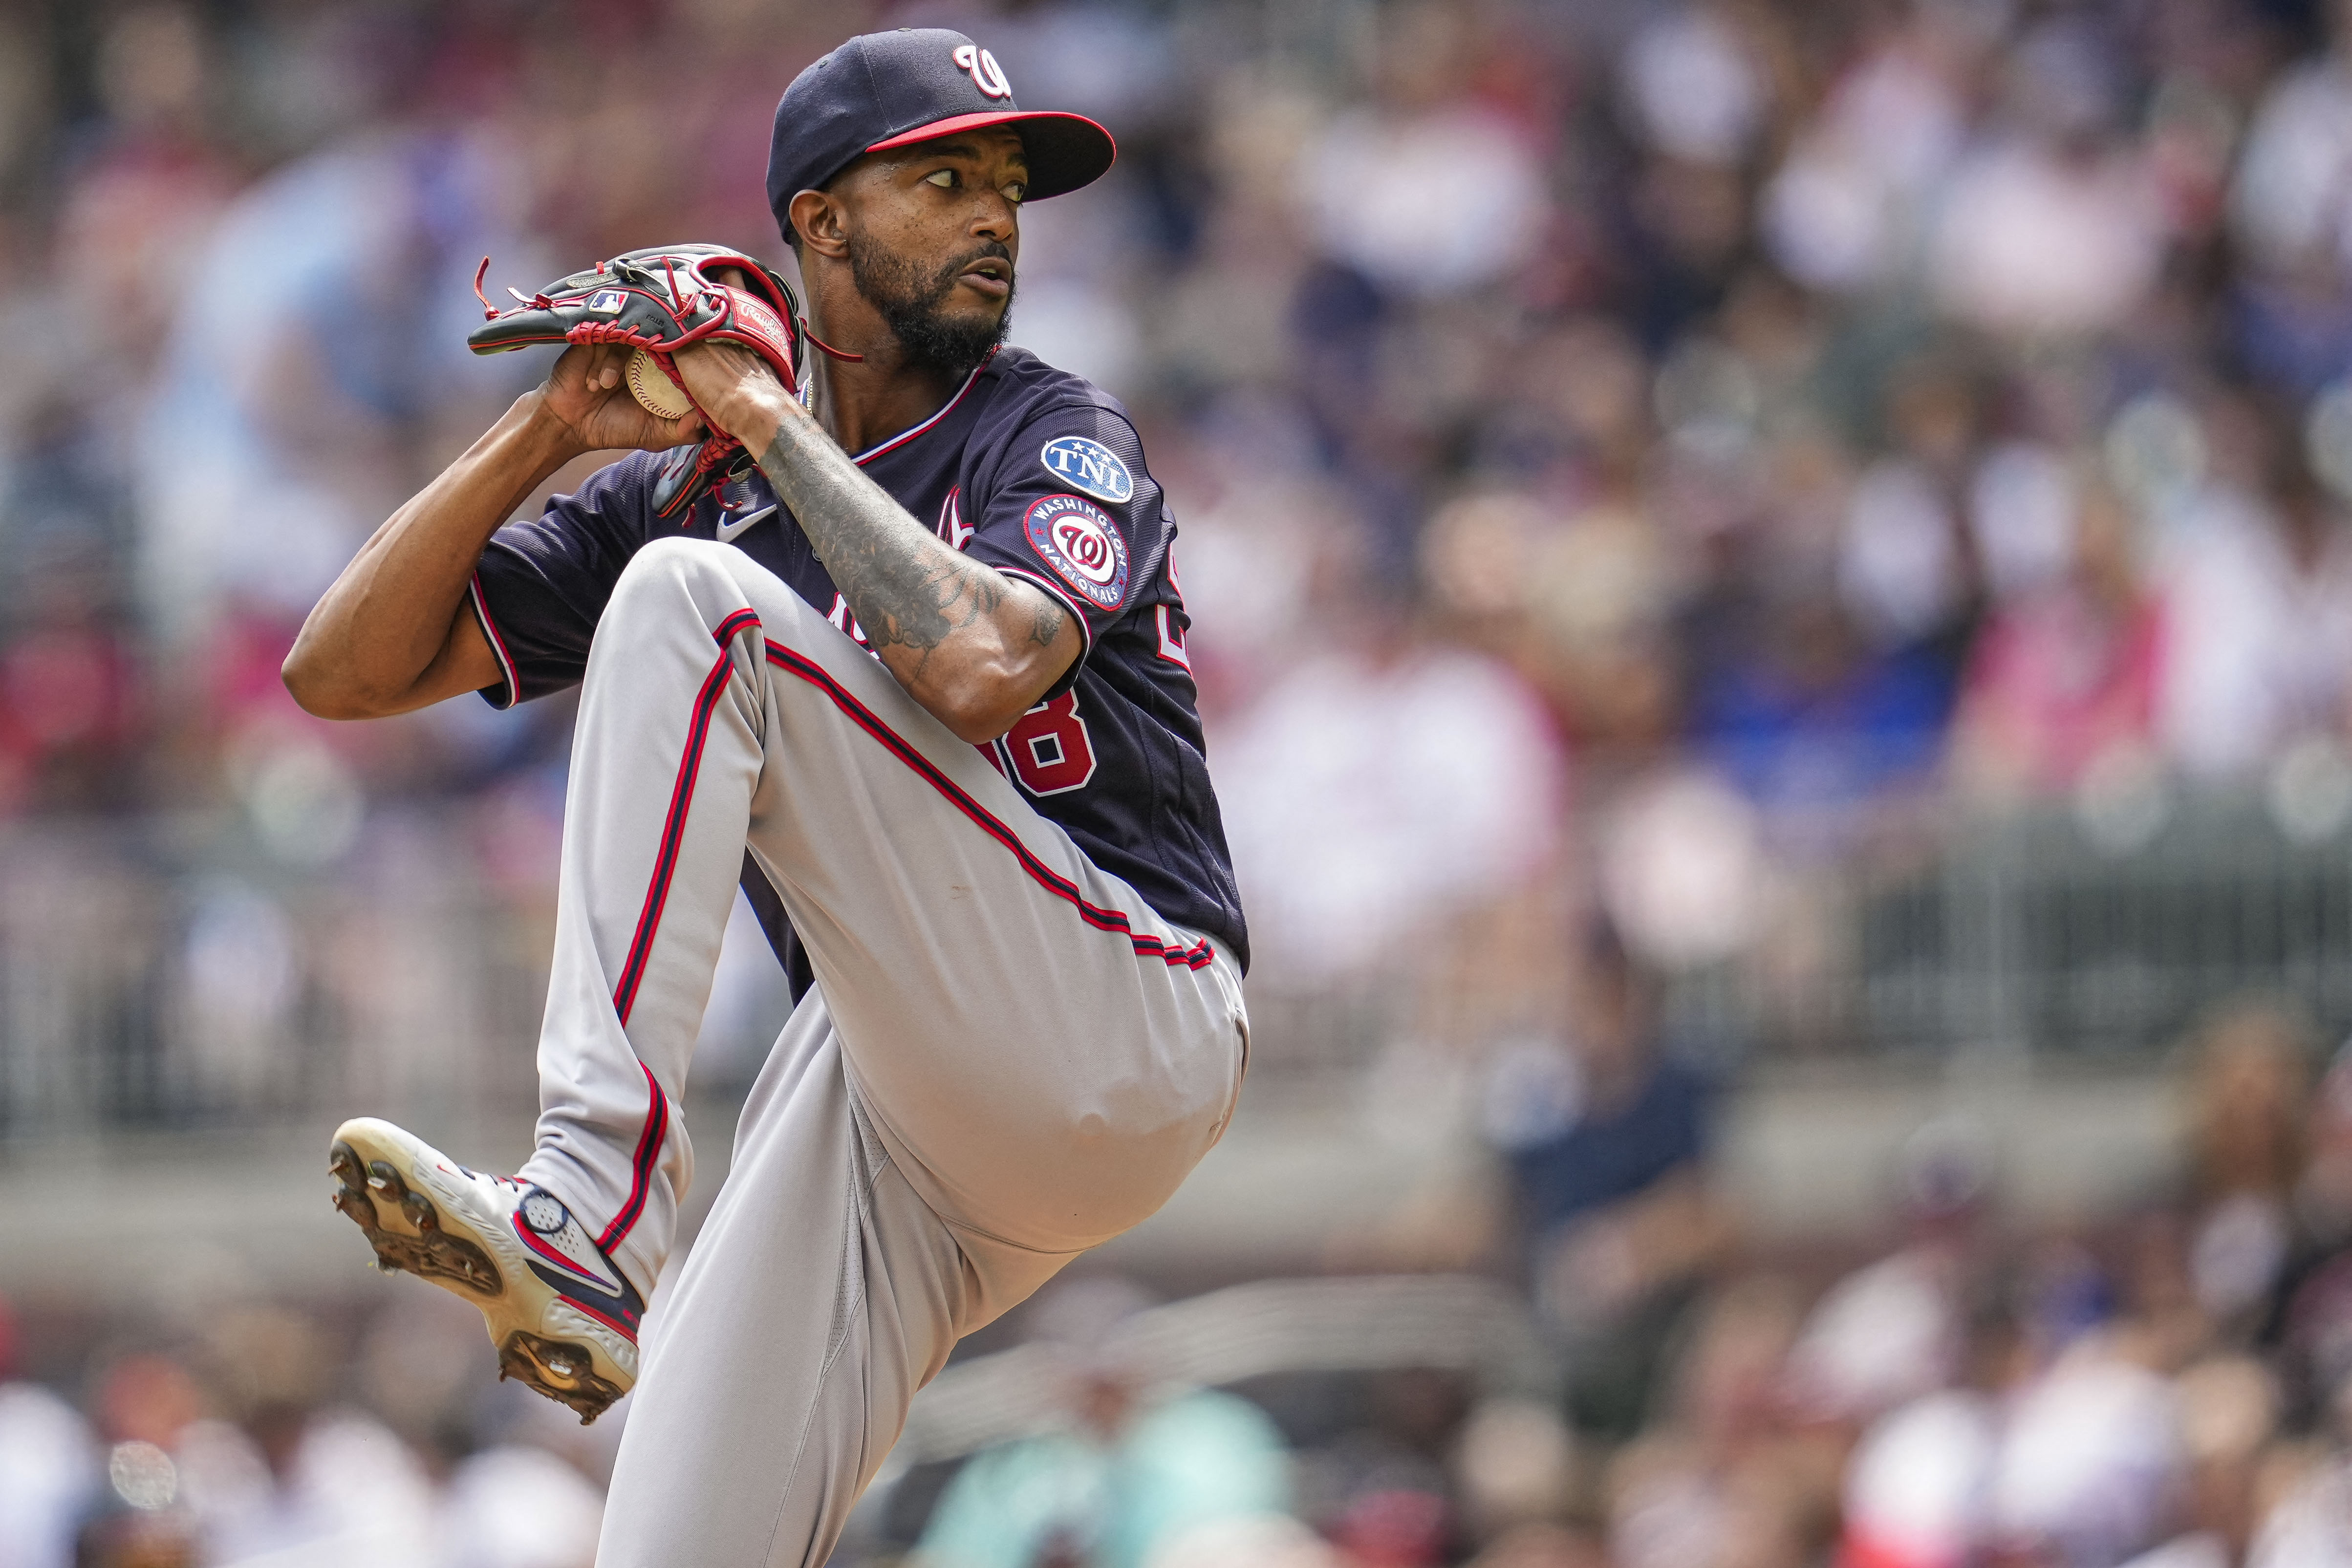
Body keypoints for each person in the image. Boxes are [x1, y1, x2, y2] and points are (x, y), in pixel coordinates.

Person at [281, 28, 1249, 1567]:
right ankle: (592, 1243)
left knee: (695, 601)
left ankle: (590, 1206)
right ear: (819, 221)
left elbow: (986, 661)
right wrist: (548, 423)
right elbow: (341, 674)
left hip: (1125, 1004)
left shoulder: (1050, 431)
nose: (998, 215)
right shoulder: (694, 485)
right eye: (946, 180)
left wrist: (762, 419)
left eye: (1007, 186)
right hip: (898, 1107)